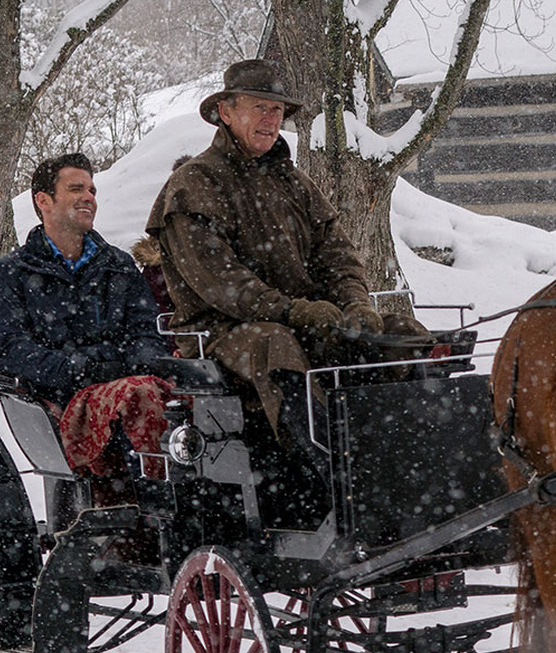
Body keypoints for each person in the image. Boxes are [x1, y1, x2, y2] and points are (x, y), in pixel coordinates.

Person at [144, 59, 427, 465]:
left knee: (401, 333)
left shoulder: (295, 182)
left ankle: (417, 455)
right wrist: (294, 311)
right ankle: (328, 469)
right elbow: (223, 283)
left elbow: (338, 255)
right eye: (258, 107)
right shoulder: (194, 184)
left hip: (308, 322)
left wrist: (356, 303)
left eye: (277, 110)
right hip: (221, 332)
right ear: (225, 112)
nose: (270, 118)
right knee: (274, 345)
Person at [0, 151, 172, 482]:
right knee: (139, 395)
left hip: (128, 385)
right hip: (60, 397)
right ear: (43, 200)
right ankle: (156, 500)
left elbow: (146, 332)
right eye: (76, 189)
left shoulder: (118, 265)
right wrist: (79, 368)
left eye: (92, 190)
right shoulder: (13, 272)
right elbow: (10, 349)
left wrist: (131, 363)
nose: (88, 197)